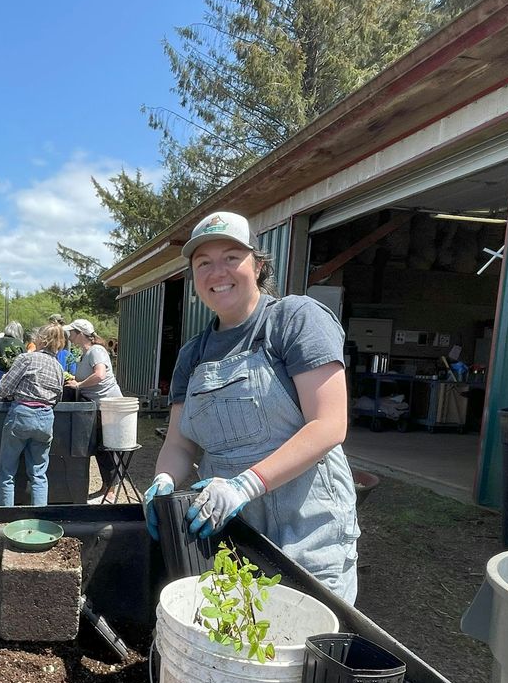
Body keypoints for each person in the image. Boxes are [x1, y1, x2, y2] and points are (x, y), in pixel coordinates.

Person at [142, 211, 360, 604]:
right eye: (203, 263)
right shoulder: (192, 355)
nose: (217, 272)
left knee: (302, 654)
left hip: (307, 536)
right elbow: (179, 444)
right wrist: (164, 483)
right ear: (194, 278)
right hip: (230, 536)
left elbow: (329, 425)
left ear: (258, 265)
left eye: (231, 257)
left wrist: (246, 484)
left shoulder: (295, 320)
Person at [0, 324, 66, 506]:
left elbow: (3, 389)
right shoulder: (58, 367)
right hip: (46, 418)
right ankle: (39, 518)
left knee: (7, 472)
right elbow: (58, 397)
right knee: (39, 474)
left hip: (22, 415)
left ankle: (5, 518)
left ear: (40, 340)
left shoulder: (26, 359)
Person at [65, 318, 123, 505]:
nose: (70, 336)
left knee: (106, 447)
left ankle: (111, 491)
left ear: (80, 334)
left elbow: (100, 374)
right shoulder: (85, 353)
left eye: (72, 333)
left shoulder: (97, 351)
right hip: (96, 406)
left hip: (107, 406)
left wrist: (79, 384)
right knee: (99, 447)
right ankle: (106, 487)